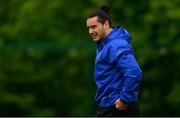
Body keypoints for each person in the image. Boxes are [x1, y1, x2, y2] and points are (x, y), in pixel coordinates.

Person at [86, 6, 142, 117]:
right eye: (88, 28)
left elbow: (134, 72)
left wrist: (124, 100)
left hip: (118, 109)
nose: (90, 31)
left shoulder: (116, 45)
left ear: (106, 24)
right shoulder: (104, 44)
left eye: (94, 27)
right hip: (110, 107)